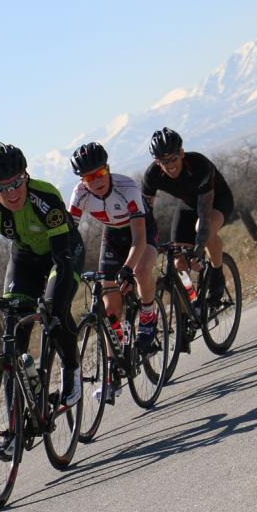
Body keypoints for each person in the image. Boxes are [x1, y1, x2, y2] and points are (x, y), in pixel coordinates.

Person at [0, 142, 84, 456]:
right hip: (24, 260)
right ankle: (15, 428)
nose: (11, 192)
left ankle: (72, 370)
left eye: (17, 182)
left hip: (62, 254)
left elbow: (61, 259)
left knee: (55, 310)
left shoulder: (44, 196)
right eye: (1, 187)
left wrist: (51, 302)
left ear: (26, 176)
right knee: (13, 335)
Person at [67, 141, 160, 405]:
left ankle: (149, 314)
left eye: (99, 173)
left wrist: (128, 269)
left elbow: (140, 238)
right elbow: (68, 235)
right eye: (88, 176)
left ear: (107, 169)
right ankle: (113, 373)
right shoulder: (80, 194)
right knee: (109, 308)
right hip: (112, 236)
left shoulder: (127, 187)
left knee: (141, 270)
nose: (95, 180)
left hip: (140, 232)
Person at [142, 128, 234, 303]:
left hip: (217, 201)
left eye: (173, 158)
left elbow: (205, 213)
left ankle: (217, 274)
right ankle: (188, 307)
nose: (169, 165)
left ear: (182, 153)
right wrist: (148, 243)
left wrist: (198, 247)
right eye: (163, 161)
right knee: (179, 263)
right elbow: (144, 214)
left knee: (204, 232)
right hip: (188, 206)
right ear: (157, 161)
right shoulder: (152, 175)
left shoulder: (199, 165)